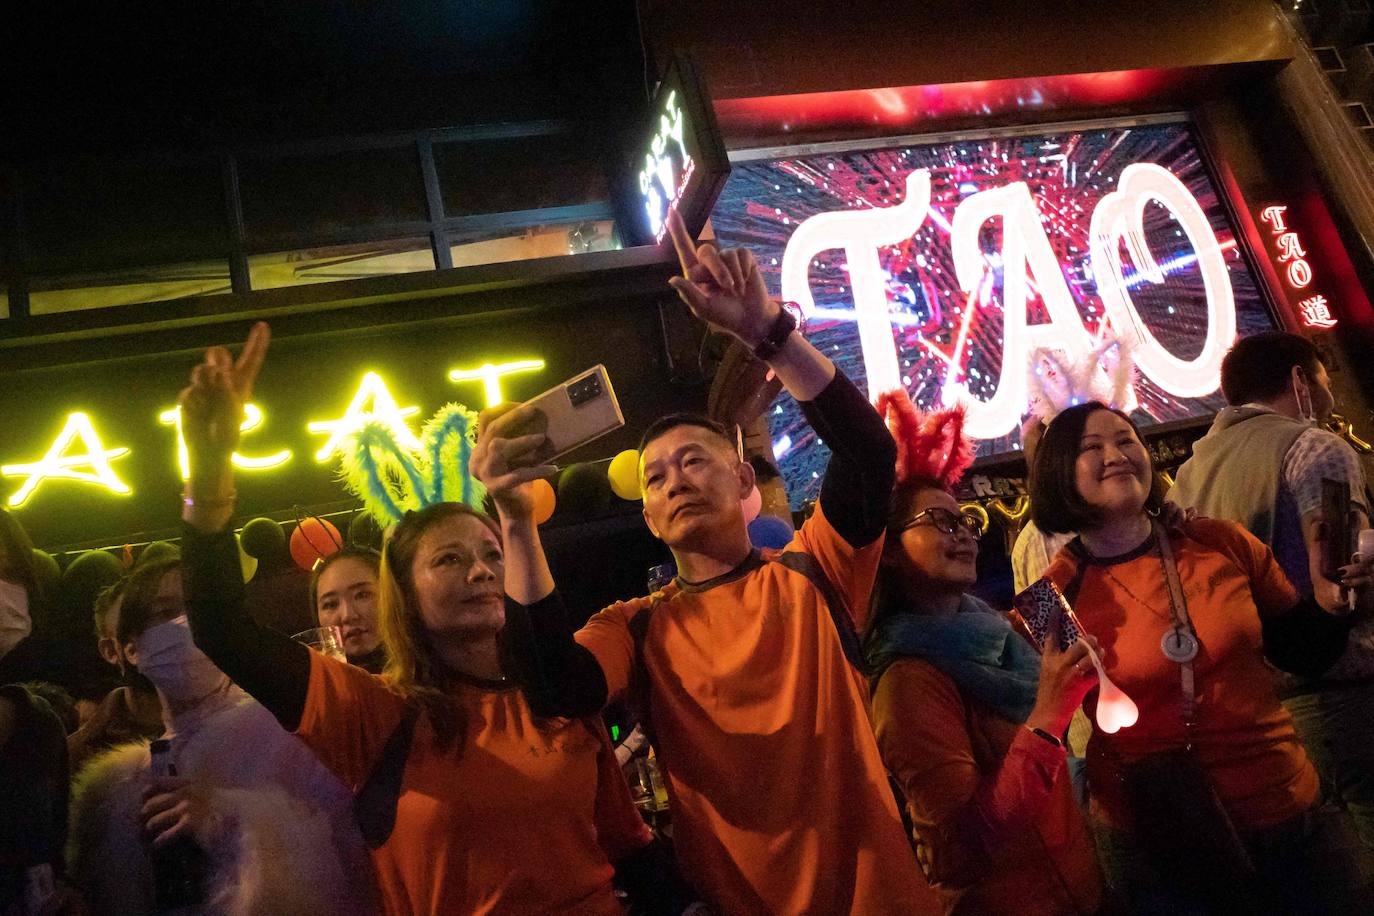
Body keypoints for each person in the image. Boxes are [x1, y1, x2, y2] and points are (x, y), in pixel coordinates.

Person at [477, 209, 938, 914]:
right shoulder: (635, 627)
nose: (676, 481)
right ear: (649, 517)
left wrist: (770, 336)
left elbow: (870, 454)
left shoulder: (813, 572)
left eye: (695, 461)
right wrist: (513, 520)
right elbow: (554, 689)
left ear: (745, 483)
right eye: (656, 478)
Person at [175, 323, 696, 915]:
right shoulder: (373, 713)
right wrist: (210, 465)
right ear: (403, 590)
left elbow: (629, 849)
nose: (479, 572)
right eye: (450, 559)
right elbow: (219, 626)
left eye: (490, 555)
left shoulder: (557, 697)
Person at [1031, 400, 1370, 913]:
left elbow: (1303, 653)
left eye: (1127, 440)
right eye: (1090, 447)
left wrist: (1333, 601)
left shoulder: (1220, 542)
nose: (1117, 454)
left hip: (1289, 810)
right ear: (1058, 472)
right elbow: (1034, 713)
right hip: (1158, 835)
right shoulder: (1048, 597)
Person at [864, 396, 1102, 915]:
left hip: (1079, 887)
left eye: (965, 522)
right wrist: (1048, 717)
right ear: (886, 549)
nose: (966, 536)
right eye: (940, 522)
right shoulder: (908, 681)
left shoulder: (977, 625)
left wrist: (1086, 544)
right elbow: (960, 846)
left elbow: (1028, 617)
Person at [66, 558, 376, 915]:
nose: (189, 624)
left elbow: (352, 868)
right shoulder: (115, 790)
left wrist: (230, 817)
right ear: (131, 649)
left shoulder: (291, 730)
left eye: (199, 609)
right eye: (167, 612)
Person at [1169, 331, 1374, 858]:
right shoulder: (1314, 445)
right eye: (1326, 384)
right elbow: (1341, 578)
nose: (1329, 402)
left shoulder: (1186, 478)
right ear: (1301, 380)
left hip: (1259, 719)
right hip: (1343, 694)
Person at [67, 579, 165, 773]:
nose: (162, 631)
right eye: (134, 623)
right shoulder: (78, 755)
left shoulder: (235, 726)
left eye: (166, 615)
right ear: (110, 650)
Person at [311, 546, 387, 673]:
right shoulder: (320, 686)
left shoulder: (427, 672)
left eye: (362, 595)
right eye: (330, 604)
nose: (347, 615)